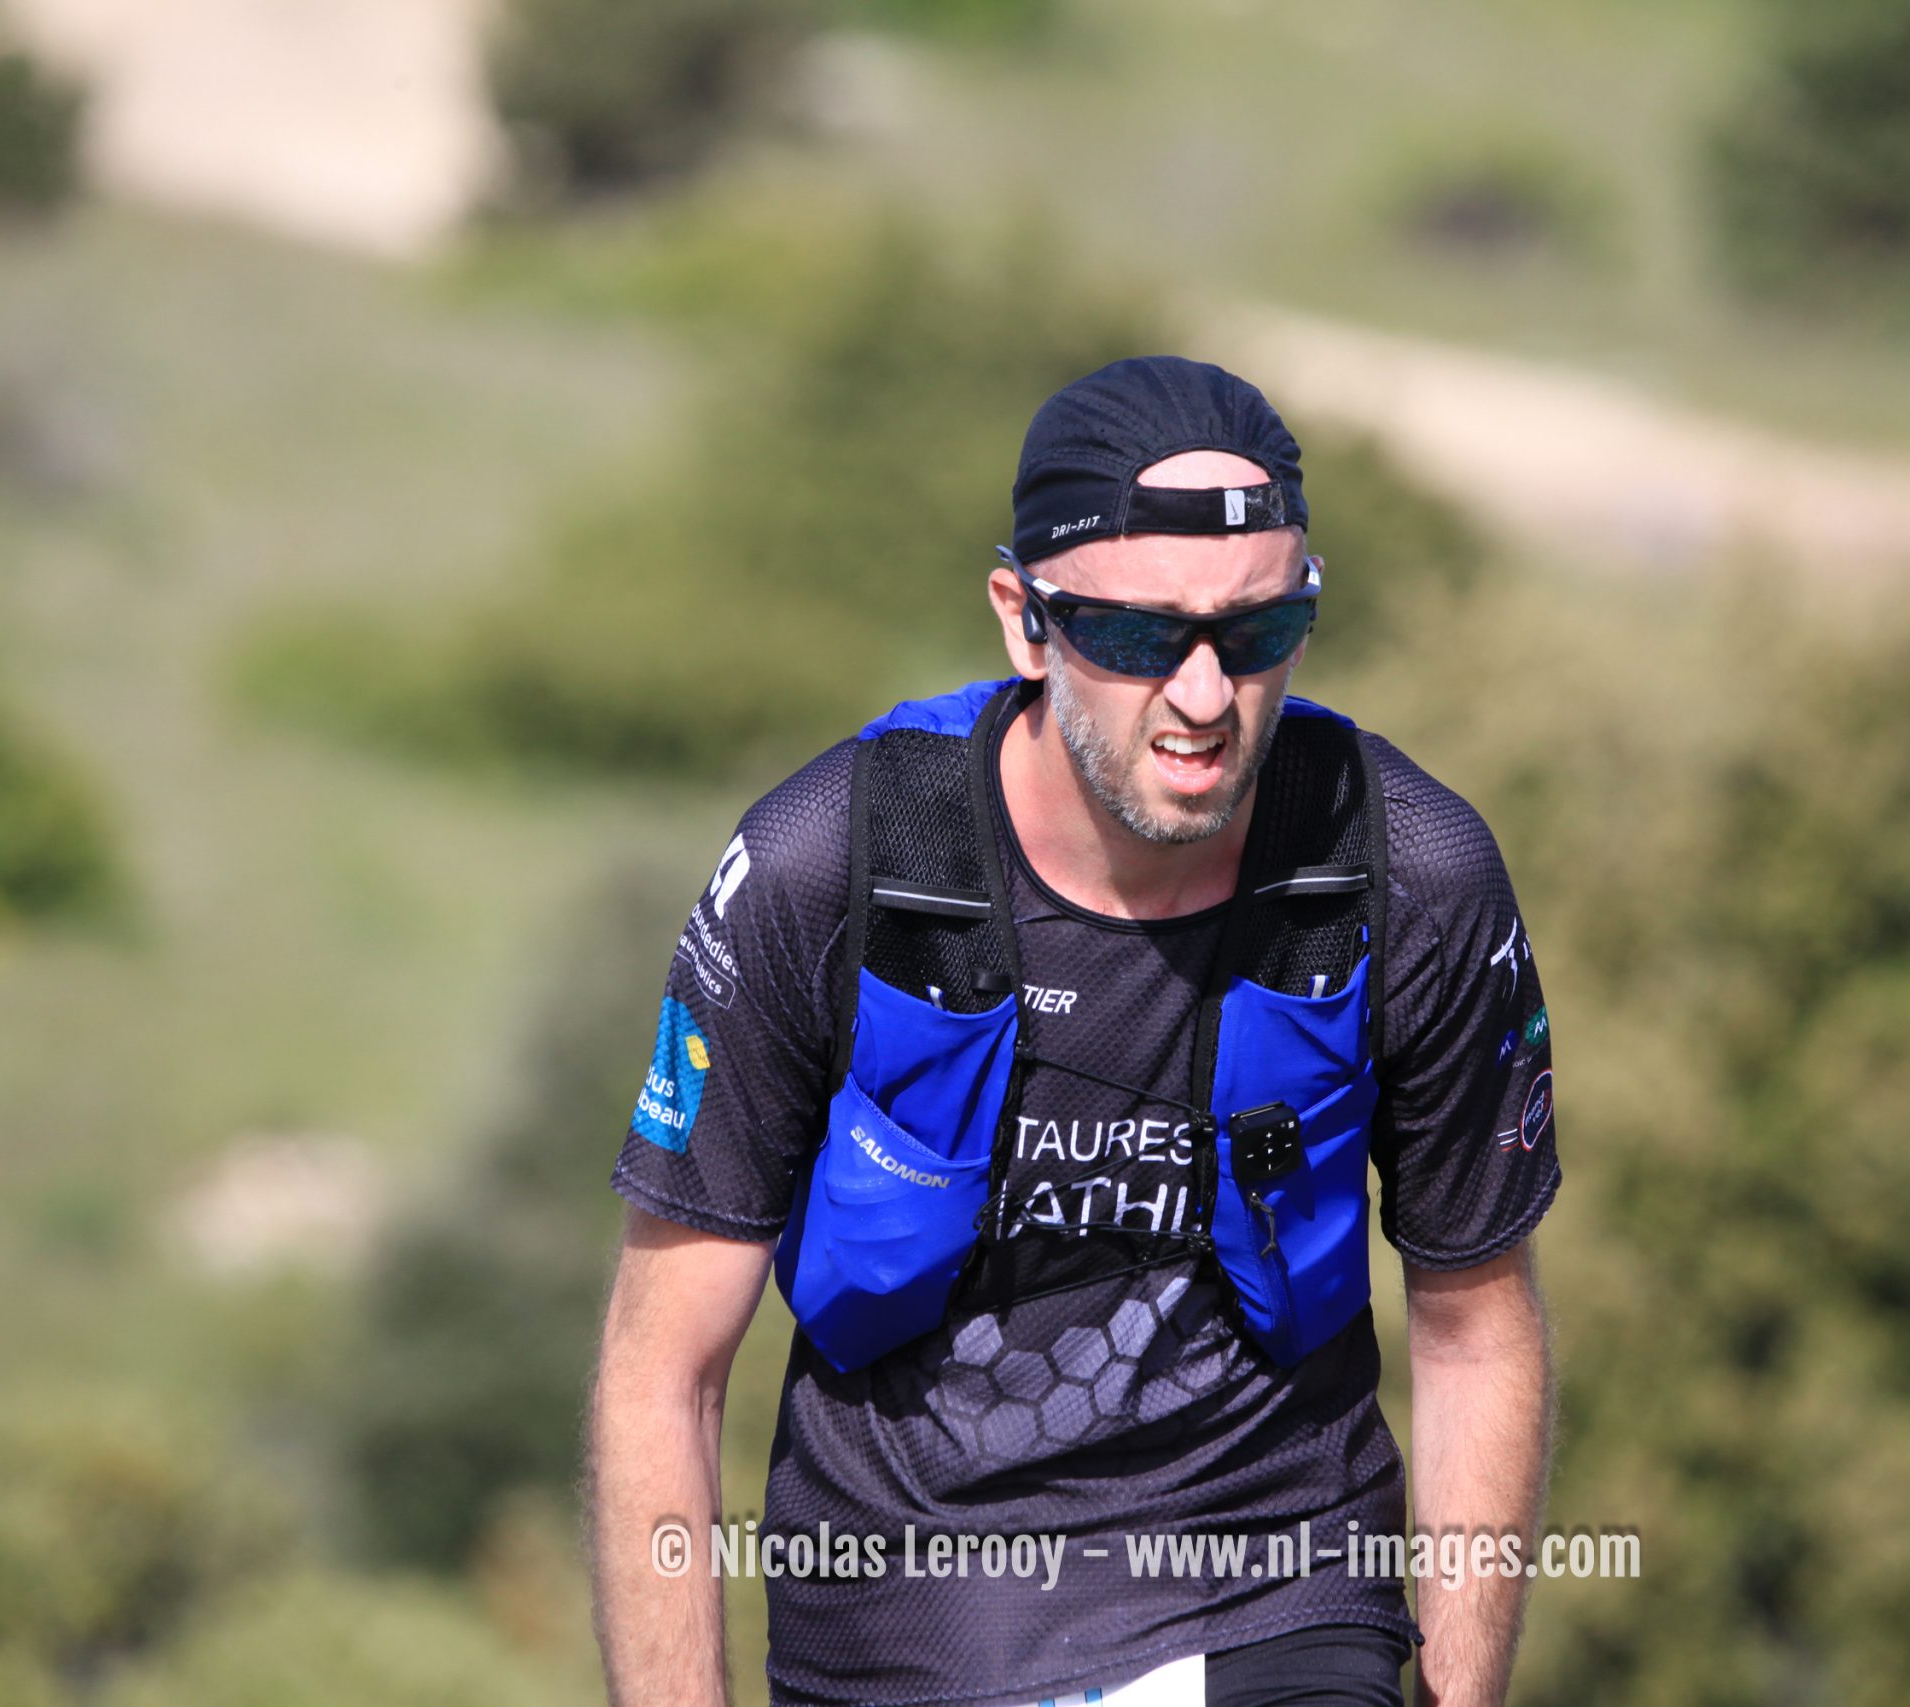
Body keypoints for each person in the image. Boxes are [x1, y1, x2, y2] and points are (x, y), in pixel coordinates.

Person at [589, 356, 1559, 1707]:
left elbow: (1476, 1336)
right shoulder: (827, 870)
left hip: (1275, 1596)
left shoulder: (1413, 875)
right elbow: (663, 1372)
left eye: (1260, 630)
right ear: (1025, 621)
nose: (1206, 696)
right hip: (908, 1632)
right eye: (1144, 638)